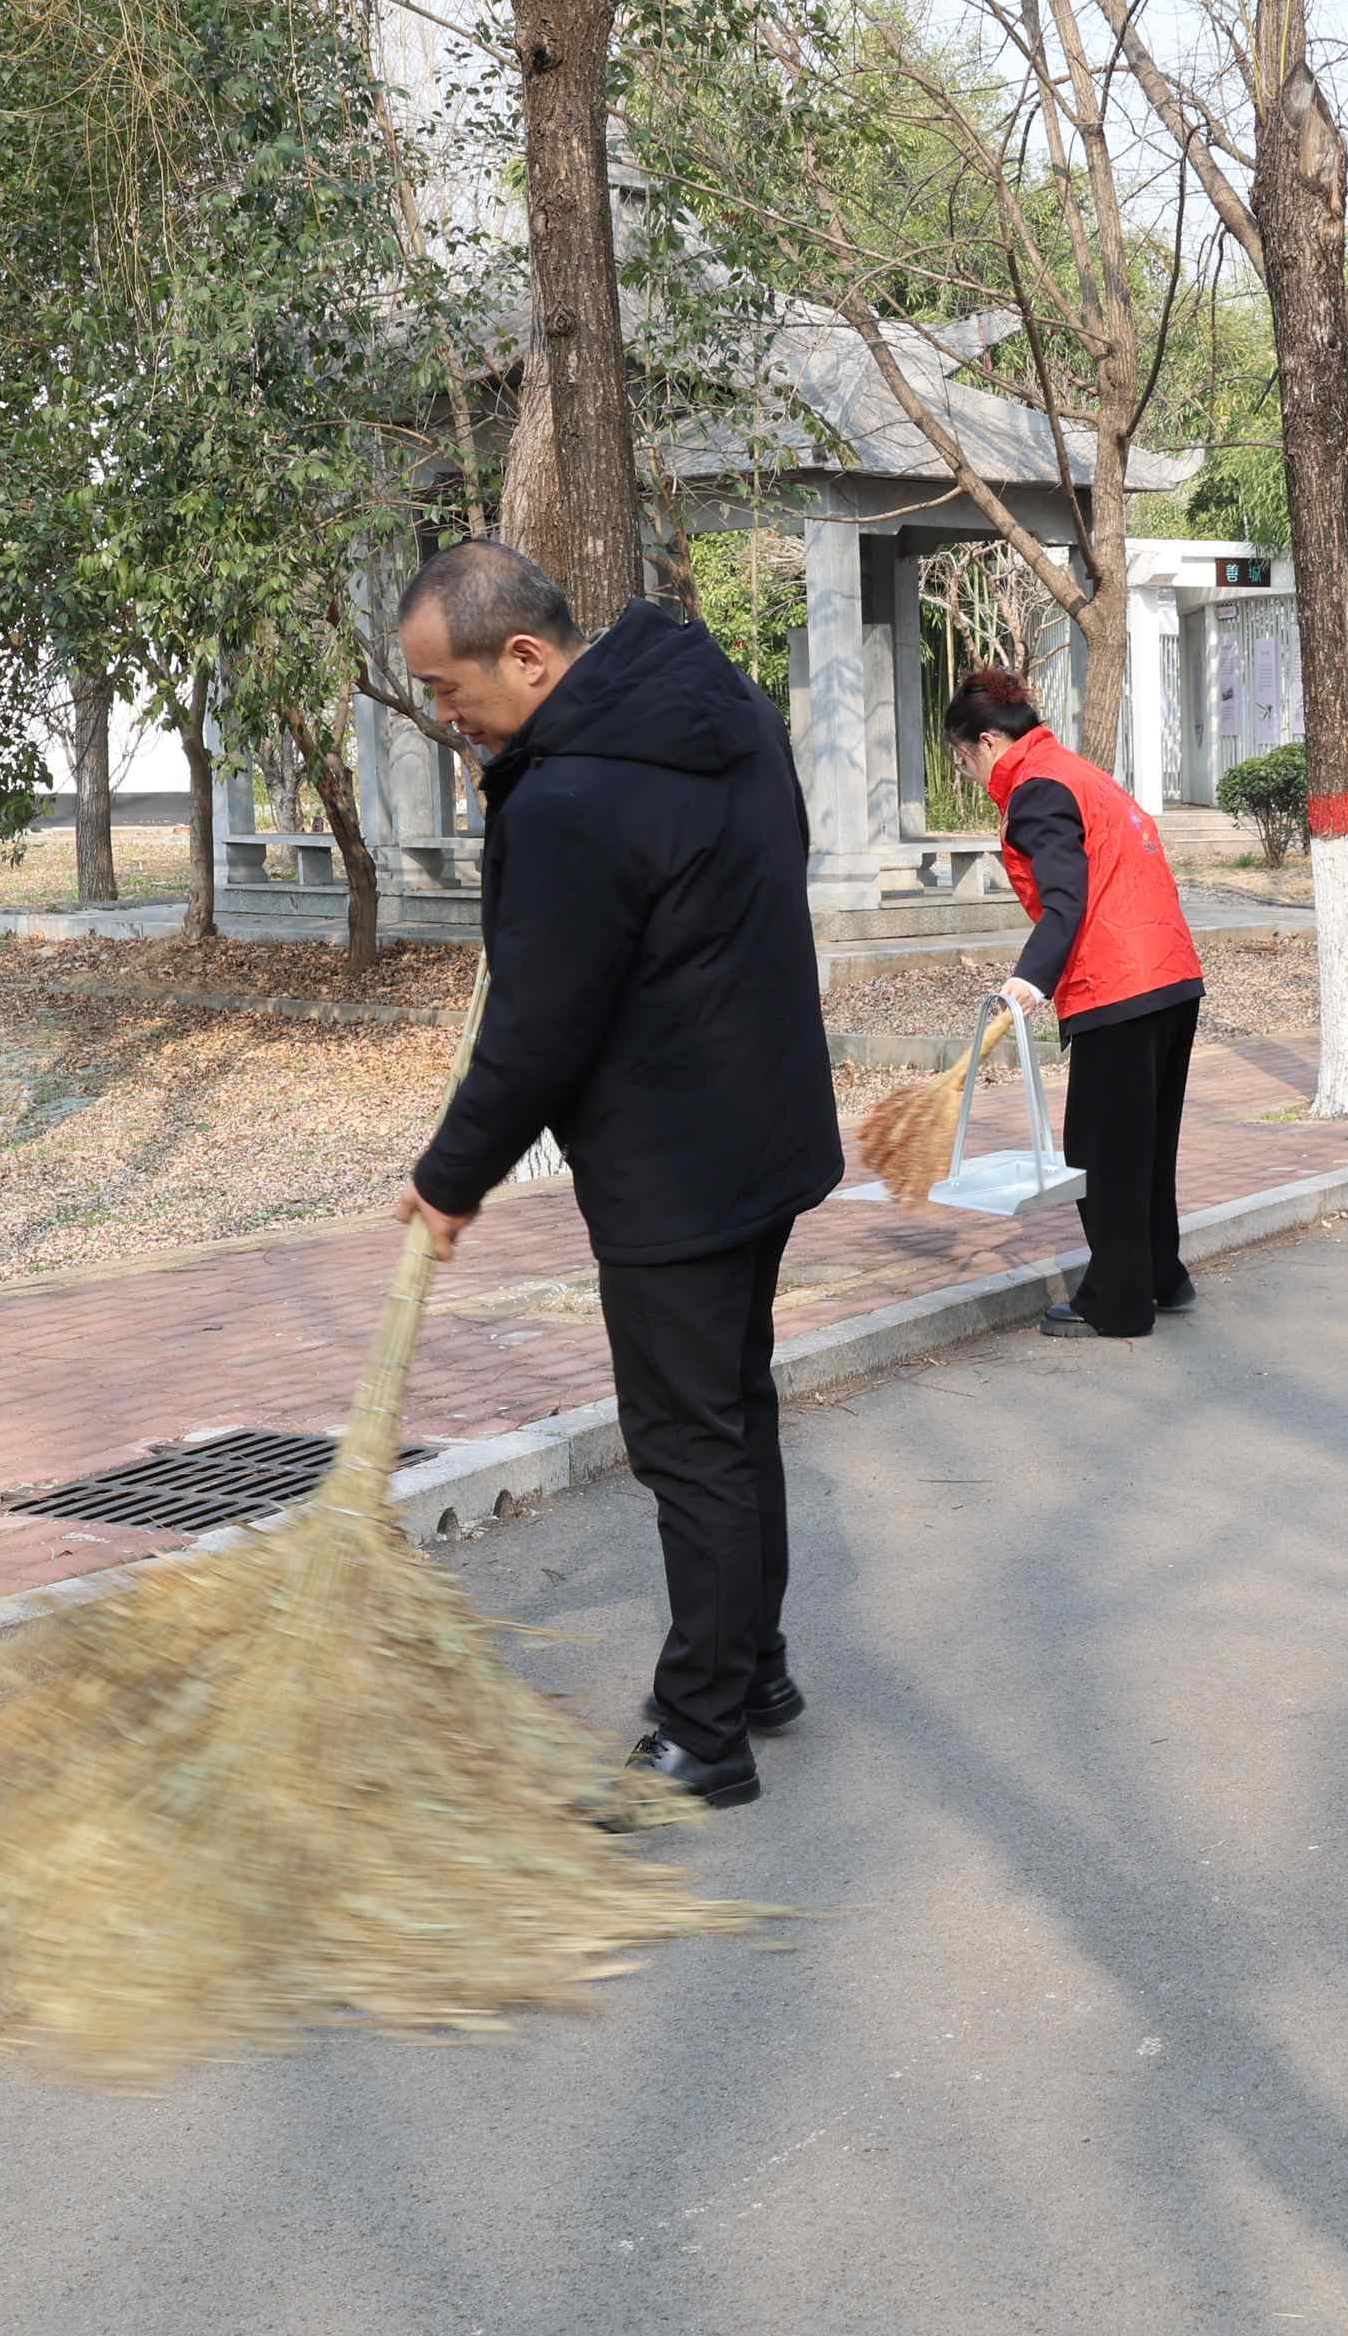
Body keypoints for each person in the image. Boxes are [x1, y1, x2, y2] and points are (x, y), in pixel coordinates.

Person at [397, 544, 841, 1815]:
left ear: (526, 659)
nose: (446, 717)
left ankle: (703, 1731)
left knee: (687, 1443)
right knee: (734, 1411)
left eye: (449, 689)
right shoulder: (722, 702)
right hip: (765, 1115)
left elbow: (538, 1027)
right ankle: (753, 1667)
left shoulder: (570, 799)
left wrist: (449, 1179)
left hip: (672, 1159)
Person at [945, 669, 1208, 1337]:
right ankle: (1161, 1275)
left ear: (986, 742)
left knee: (1101, 1150)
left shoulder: (1037, 791)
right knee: (1145, 1144)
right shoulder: (1077, 772)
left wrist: (1029, 980)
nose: (968, 773)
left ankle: (1117, 1302)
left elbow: (1068, 897)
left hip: (1119, 981)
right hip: (1170, 974)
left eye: (963, 759)